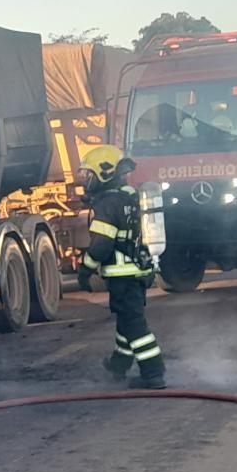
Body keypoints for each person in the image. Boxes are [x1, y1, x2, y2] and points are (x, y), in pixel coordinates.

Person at [76, 145, 166, 389]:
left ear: (104, 173)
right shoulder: (133, 197)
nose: (86, 180)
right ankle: (119, 364)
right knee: (126, 319)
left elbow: (101, 245)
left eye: (89, 174)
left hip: (123, 275)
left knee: (134, 324)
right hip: (141, 271)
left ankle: (153, 372)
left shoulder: (108, 204)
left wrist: (85, 269)